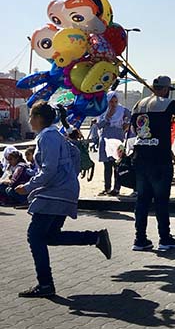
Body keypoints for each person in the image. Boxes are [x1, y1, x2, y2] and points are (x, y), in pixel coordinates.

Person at [14, 100, 111, 298]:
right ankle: (95, 237)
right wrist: (69, 180)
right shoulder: (56, 134)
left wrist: (28, 187)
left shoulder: (47, 137)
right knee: (50, 236)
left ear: (39, 118)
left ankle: (45, 285)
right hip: (63, 191)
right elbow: (74, 155)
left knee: (34, 236)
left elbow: (49, 170)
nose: (30, 120)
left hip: (54, 192)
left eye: (31, 116)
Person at [131, 75, 175, 252]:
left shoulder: (138, 105)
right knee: (161, 200)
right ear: (165, 89)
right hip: (159, 160)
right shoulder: (166, 103)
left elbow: (137, 130)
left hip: (140, 157)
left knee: (142, 200)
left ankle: (140, 239)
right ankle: (165, 238)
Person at [97, 93, 130, 196]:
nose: (113, 104)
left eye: (115, 102)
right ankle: (107, 188)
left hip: (117, 138)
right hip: (106, 138)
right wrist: (108, 116)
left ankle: (116, 188)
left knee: (117, 165)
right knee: (107, 165)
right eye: (111, 102)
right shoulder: (103, 110)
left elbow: (130, 119)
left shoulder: (123, 110)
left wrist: (125, 126)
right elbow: (99, 125)